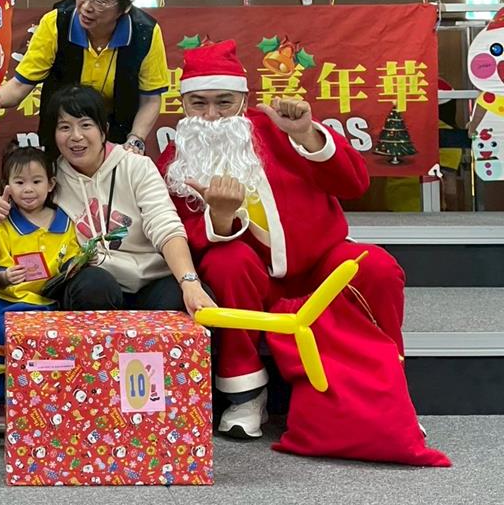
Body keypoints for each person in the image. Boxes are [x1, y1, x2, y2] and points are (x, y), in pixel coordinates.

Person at [156, 40, 405, 440]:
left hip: (319, 263)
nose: (212, 116)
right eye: (198, 103)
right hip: (251, 277)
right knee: (226, 263)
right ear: (183, 104)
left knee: (376, 267)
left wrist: (308, 135)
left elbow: (354, 184)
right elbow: (180, 233)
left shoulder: (281, 128)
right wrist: (221, 216)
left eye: (224, 102)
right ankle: (246, 394)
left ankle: (389, 388)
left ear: (244, 98)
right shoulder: (175, 158)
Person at [0, 84, 215, 316]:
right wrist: (2, 208)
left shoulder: (136, 166)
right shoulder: (50, 178)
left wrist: (189, 282)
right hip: (95, 283)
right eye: (65, 127)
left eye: (86, 125)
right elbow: (27, 207)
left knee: (190, 301)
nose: (76, 136)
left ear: (103, 130)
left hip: (149, 280)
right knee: (93, 285)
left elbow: (165, 226)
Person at [0, 0, 168, 157]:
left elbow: (150, 100)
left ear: (124, 8)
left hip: (118, 140)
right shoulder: (56, 23)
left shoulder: (145, 33)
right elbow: (20, 84)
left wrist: (136, 139)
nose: (86, 6)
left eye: (99, 1)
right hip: (62, 137)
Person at [0, 143, 80, 432]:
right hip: (8, 303)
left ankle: (47, 403)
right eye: (20, 183)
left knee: (58, 343)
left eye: (36, 181)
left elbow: (72, 257)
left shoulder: (65, 223)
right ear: (7, 186)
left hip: (49, 304)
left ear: (51, 184)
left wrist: (75, 265)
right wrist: (7, 276)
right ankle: (0, 403)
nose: (29, 189)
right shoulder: (4, 224)